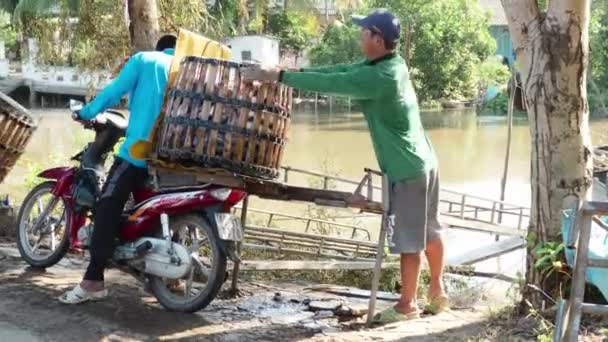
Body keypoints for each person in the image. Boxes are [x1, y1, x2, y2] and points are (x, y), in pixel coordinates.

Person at [242, 9, 448, 323]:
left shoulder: (376, 77)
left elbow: (334, 83)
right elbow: (339, 70)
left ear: (377, 40)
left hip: (406, 168)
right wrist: (281, 70)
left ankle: (408, 306)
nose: (359, 36)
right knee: (430, 230)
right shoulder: (393, 64)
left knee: (409, 241)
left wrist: (278, 77)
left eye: (364, 32)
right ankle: (437, 290)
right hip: (426, 162)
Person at [59, 34, 177, 304]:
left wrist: (86, 112)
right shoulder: (185, 67)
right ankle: (166, 278)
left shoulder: (144, 60)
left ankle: (93, 281)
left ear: (158, 48)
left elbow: (115, 91)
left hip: (138, 155)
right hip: (173, 158)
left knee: (106, 206)